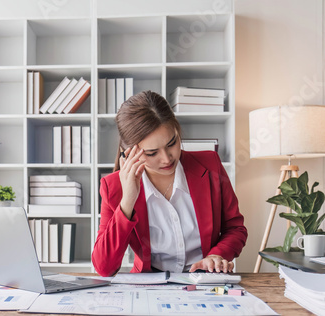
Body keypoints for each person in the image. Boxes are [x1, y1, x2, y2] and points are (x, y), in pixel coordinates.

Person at [92, 90, 247, 277]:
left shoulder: (210, 164)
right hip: (151, 285)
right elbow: (104, 267)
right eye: (152, 153)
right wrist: (127, 202)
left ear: (177, 130)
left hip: (205, 280)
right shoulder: (113, 187)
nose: (167, 159)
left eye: (172, 143)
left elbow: (235, 228)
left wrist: (216, 255)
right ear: (129, 154)